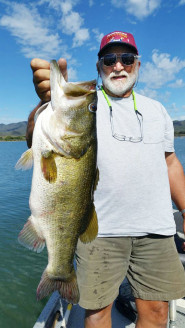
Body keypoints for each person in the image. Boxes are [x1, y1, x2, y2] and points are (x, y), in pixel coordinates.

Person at [27, 31, 185, 328]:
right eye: (109, 59)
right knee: (97, 312)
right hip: (98, 229)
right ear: (99, 66)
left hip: (157, 228)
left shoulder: (158, 110)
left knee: (157, 312)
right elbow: (38, 135)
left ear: (137, 64)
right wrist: (44, 103)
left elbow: (171, 162)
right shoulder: (87, 103)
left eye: (126, 58)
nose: (118, 66)